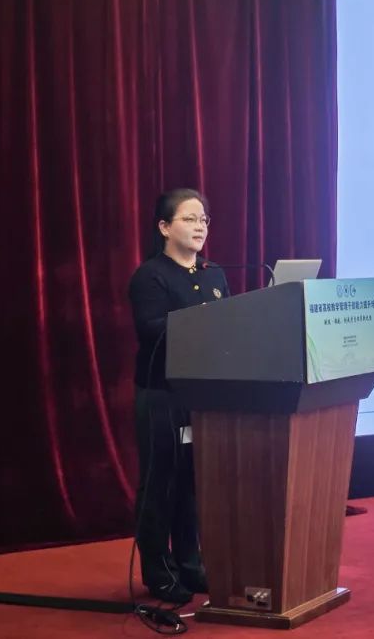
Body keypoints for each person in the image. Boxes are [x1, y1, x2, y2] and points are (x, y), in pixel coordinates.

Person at [128, 188, 229, 604]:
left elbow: (230, 325)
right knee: (161, 484)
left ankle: (190, 564)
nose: (200, 226)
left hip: (202, 396)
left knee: (191, 483)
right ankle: (159, 571)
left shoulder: (214, 274)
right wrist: (200, 321)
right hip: (162, 396)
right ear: (165, 227)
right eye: (189, 219)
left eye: (204, 219)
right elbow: (151, 329)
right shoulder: (150, 276)